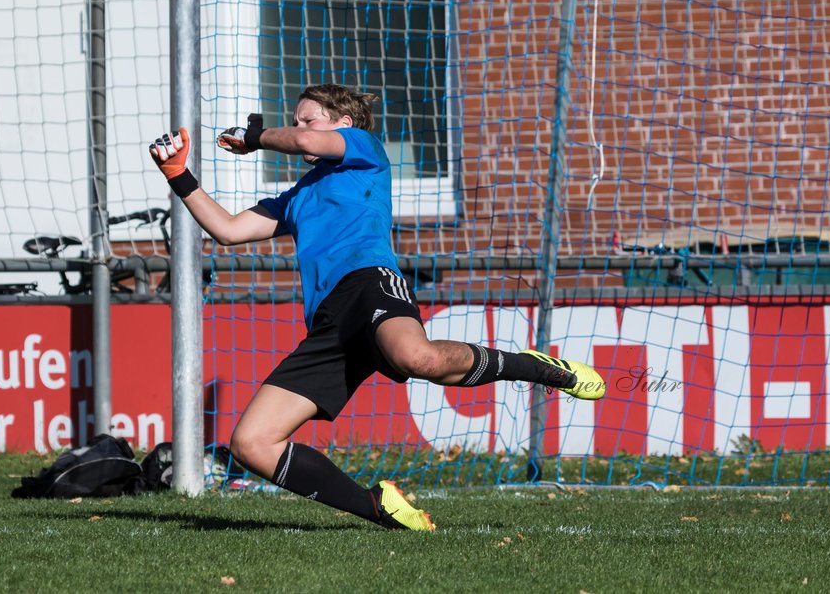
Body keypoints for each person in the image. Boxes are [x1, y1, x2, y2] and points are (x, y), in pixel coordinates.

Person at [149, 83, 605, 532]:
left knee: (418, 358)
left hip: (369, 283)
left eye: (308, 117)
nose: (299, 127)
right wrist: (177, 174)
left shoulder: (363, 149)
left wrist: (255, 138)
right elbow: (227, 230)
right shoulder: (295, 199)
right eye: (295, 119)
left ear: (343, 124)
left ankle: (534, 366)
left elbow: (306, 142)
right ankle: (376, 506)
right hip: (328, 323)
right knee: (251, 443)